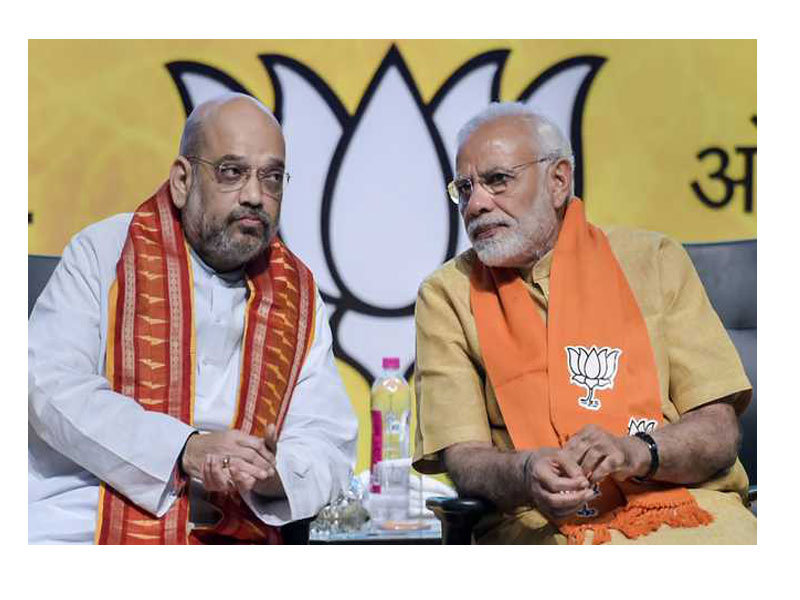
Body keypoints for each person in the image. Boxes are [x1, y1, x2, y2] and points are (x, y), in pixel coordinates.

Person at [412, 102, 756, 544]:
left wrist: (637, 451)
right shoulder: (447, 295)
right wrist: (526, 471)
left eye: (497, 180)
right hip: (540, 524)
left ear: (558, 181)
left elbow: (719, 430)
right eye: (465, 188)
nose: (476, 204)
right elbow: (464, 458)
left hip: (691, 511)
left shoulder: (653, 260)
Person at [28, 93, 358, 544]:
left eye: (272, 178)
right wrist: (185, 448)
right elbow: (48, 386)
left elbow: (328, 441)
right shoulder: (104, 253)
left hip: (236, 535)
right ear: (182, 180)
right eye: (232, 172)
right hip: (85, 525)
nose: (255, 196)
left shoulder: (298, 293)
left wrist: (270, 474)